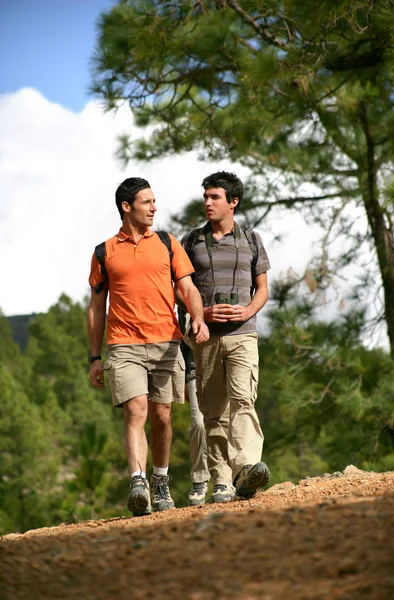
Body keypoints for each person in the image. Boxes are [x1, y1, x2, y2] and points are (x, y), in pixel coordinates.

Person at [87, 177, 209, 518]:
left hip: (166, 341)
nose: (154, 207)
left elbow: (186, 288)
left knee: (162, 416)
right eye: (147, 202)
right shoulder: (104, 251)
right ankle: (138, 481)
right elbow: (97, 308)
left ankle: (160, 479)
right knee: (136, 411)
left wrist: (197, 318)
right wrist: (95, 356)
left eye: (155, 201)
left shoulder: (168, 243)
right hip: (124, 344)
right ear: (127, 207)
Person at [180, 171, 271, 504]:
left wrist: (248, 312)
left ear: (233, 202)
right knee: (214, 412)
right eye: (205, 196)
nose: (207, 202)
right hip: (205, 338)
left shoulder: (251, 239)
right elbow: (180, 289)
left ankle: (246, 467)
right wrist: (200, 314)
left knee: (243, 399)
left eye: (214, 197)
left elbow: (262, 290)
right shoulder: (190, 242)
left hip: (244, 335)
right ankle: (221, 480)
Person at [178, 308, 210, 506]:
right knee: (199, 423)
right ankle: (200, 480)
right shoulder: (183, 288)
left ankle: (231, 478)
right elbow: (180, 335)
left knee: (226, 422)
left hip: (223, 364)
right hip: (192, 368)